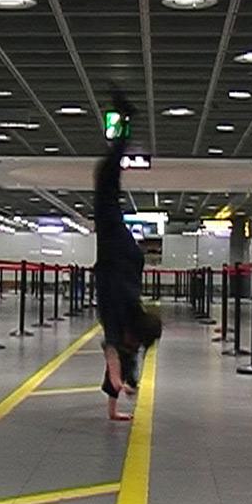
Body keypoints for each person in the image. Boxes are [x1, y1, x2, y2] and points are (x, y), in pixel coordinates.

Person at [94, 89, 161, 421]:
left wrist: (125, 384)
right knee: (106, 182)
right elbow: (112, 352)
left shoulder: (135, 329)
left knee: (108, 183)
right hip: (116, 253)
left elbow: (123, 352)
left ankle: (124, 127)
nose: (132, 346)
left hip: (126, 257)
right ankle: (125, 123)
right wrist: (117, 376)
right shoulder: (118, 313)